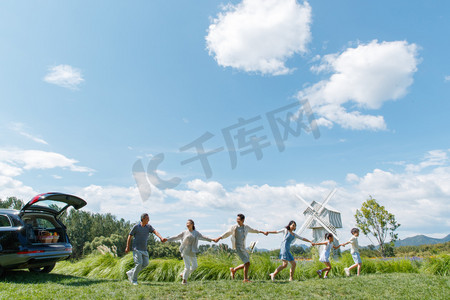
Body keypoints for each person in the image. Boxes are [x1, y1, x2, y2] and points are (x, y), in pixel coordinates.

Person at [212, 214, 268, 282]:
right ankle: (245, 279)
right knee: (247, 263)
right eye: (237, 219)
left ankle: (234, 270)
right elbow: (227, 233)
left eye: (238, 219)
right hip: (238, 246)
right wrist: (218, 238)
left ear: (242, 220)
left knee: (247, 263)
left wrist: (263, 232)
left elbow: (254, 230)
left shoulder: (246, 227)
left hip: (243, 247)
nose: (237, 220)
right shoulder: (234, 227)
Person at [125, 213, 167, 285]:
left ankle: (131, 272)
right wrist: (127, 247)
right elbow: (130, 236)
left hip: (144, 249)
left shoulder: (148, 227)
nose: (149, 220)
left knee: (146, 263)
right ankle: (134, 280)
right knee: (139, 264)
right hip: (136, 248)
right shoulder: (136, 227)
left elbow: (155, 232)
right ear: (143, 219)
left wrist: (161, 238)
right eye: (147, 218)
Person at [166, 219, 213, 284]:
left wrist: (212, 239)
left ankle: (183, 274)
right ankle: (184, 280)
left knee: (195, 266)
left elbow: (203, 237)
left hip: (192, 251)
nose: (187, 225)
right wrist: (167, 239)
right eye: (186, 223)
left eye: (188, 223)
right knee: (187, 266)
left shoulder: (196, 233)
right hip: (185, 250)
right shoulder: (184, 232)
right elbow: (176, 237)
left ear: (192, 224)